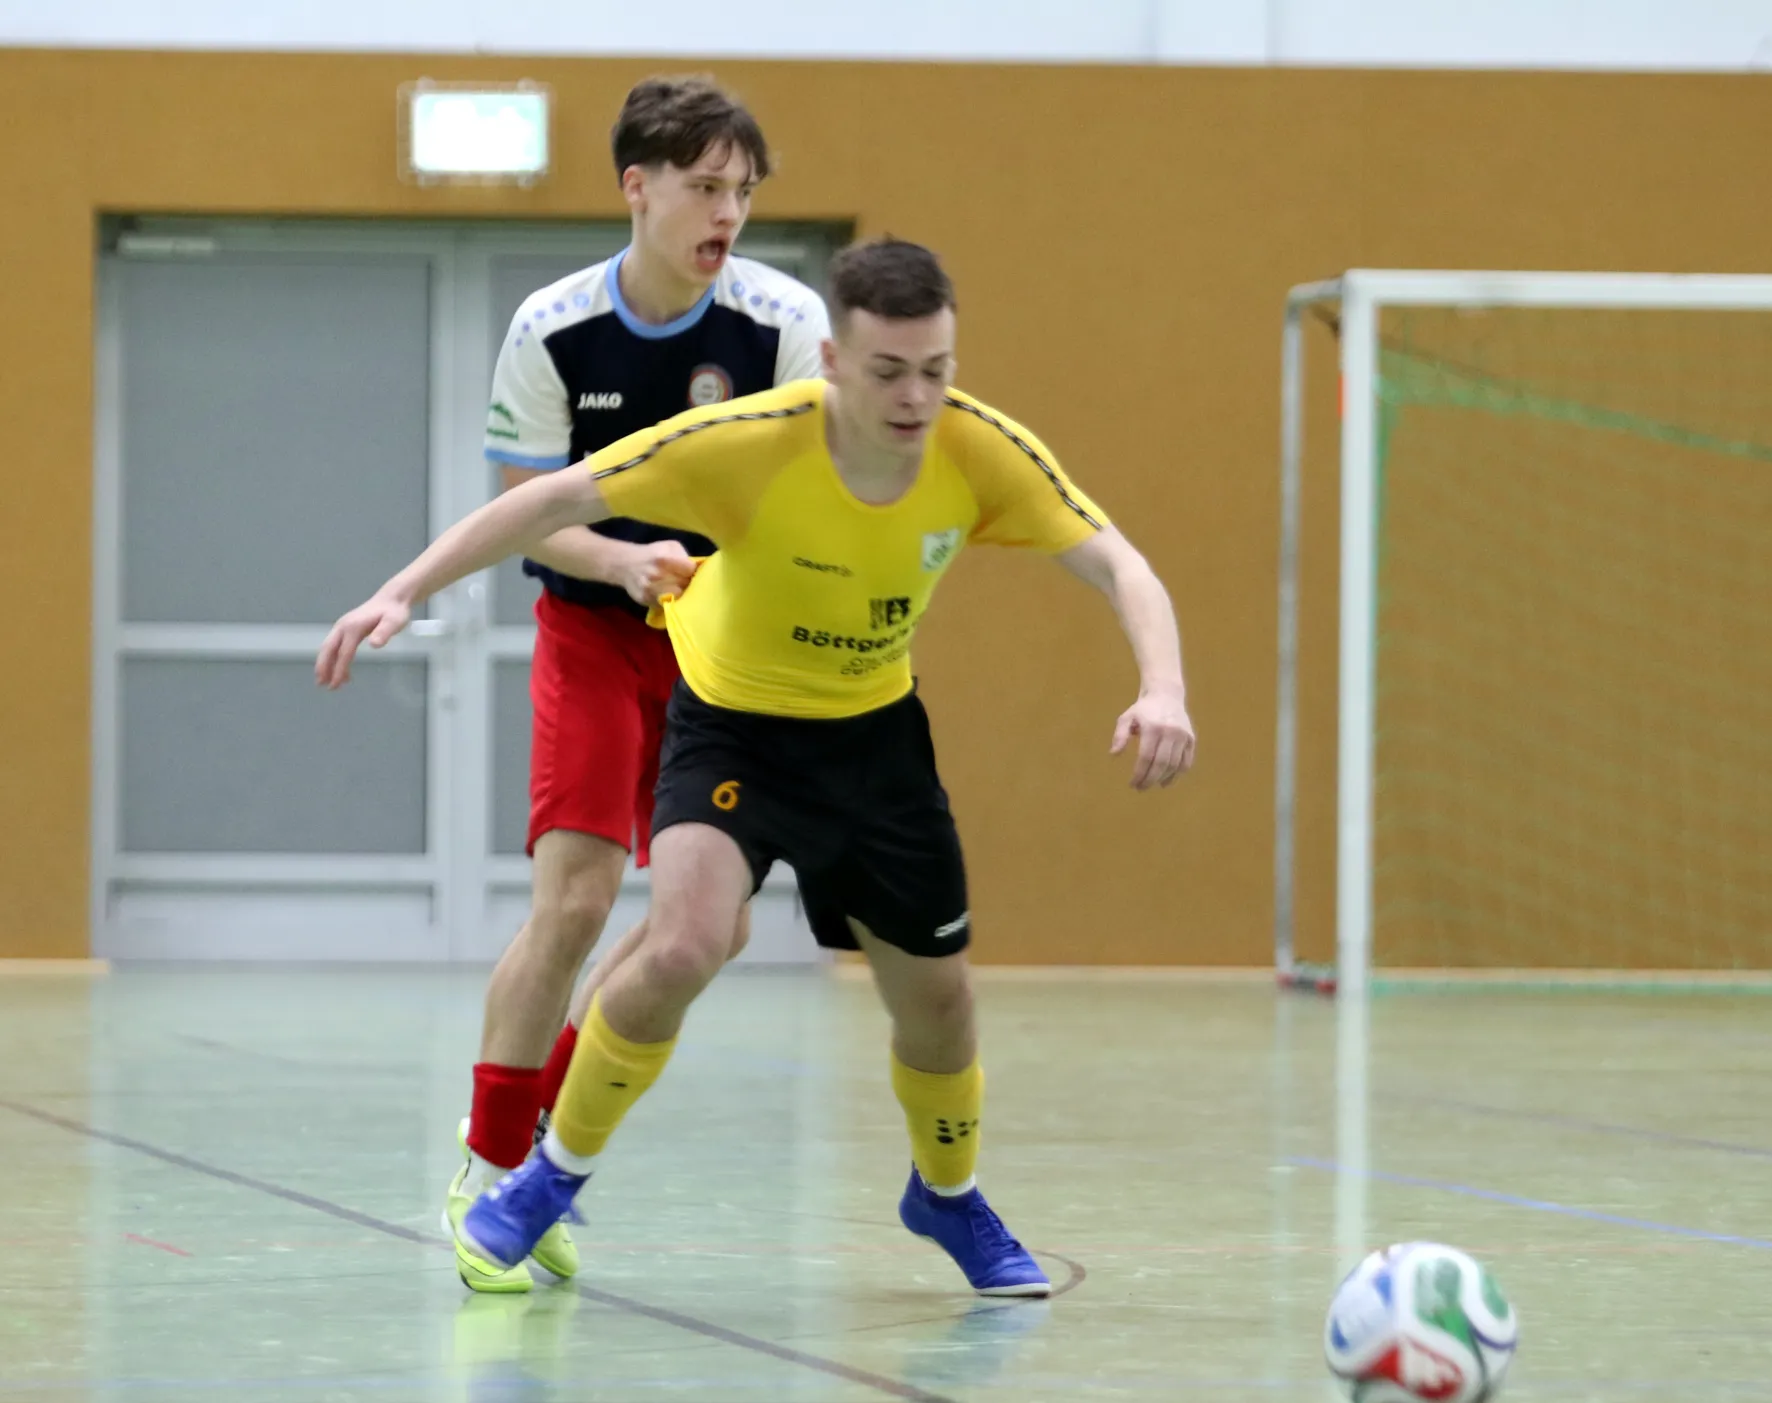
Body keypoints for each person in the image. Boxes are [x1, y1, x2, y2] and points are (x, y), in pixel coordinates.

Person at [319, 238, 1195, 1297]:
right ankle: (547, 1178)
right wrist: (403, 589)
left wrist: (1162, 687)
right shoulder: (742, 444)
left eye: (935, 369)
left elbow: (1120, 562)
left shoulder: (980, 450)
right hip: (732, 726)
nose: (915, 397)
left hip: (873, 744)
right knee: (685, 940)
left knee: (939, 1003)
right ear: (832, 359)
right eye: (887, 371)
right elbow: (544, 503)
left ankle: (947, 1194)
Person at [457, 74, 827, 1294]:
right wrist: (621, 559)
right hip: (593, 635)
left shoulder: (783, 322)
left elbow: (812, 495)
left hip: (725, 652)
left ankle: (541, 1160)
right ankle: (487, 1164)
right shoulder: (552, 327)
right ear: (636, 186)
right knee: (573, 902)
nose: (728, 213)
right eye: (705, 187)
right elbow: (525, 510)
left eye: (743, 192)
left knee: (707, 927)